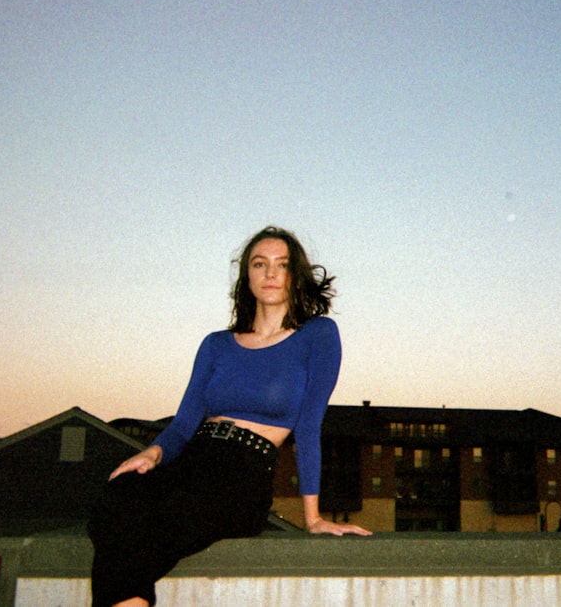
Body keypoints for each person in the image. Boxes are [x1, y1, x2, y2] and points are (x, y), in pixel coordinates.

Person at [88, 226, 371, 607]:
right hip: (193, 458)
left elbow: (308, 427)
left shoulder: (318, 335)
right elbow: (185, 423)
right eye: (260, 263)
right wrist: (152, 454)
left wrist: (313, 516)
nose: (270, 273)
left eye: (282, 264)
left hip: (243, 472)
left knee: (154, 525)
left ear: (295, 275)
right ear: (247, 275)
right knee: (117, 496)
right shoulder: (216, 344)